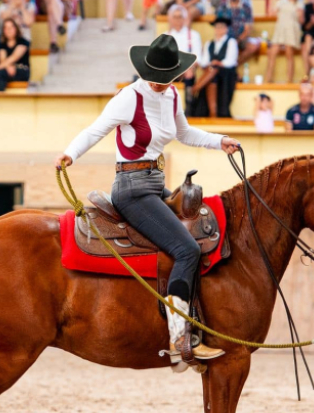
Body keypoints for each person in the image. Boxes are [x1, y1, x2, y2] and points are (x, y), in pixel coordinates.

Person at [53, 34, 241, 364]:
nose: (158, 84)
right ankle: (181, 341)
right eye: (154, 78)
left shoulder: (171, 97)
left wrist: (219, 140)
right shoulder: (129, 98)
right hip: (132, 189)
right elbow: (96, 129)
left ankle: (193, 325)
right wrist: (70, 154)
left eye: (165, 79)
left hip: (156, 186)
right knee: (186, 249)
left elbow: (185, 134)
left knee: (196, 237)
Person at [192, 17, 239, 118]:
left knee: (214, 70)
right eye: (217, 27)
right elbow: (204, 61)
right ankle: (213, 112)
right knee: (213, 74)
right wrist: (211, 63)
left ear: (226, 29)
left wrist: (218, 63)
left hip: (226, 73)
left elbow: (230, 61)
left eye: (221, 27)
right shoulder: (209, 43)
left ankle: (196, 87)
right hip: (212, 71)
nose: (218, 29)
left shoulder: (231, 42)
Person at [265, 0, 304, 84]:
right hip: (280, 30)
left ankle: (289, 80)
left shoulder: (299, 4)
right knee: (272, 53)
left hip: (291, 30)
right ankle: (267, 79)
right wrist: (272, 0)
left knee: (289, 54)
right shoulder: (281, 2)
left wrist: (300, 14)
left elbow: (301, 20)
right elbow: (271, 14)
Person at [216, 0, 259, 66]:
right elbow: (219, 26)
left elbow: (247, 30)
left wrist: (237, 40)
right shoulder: (222, 6)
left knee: (253, 45)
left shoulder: (246, 7)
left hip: (241, 38)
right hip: (226, 38)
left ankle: (234, 66)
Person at [165, 4, 202, 101]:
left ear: (185, 19)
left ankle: (189, 104)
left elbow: (197, 57)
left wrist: (187, 68)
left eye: (180, 17)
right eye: (175, 17)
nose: (177, 20)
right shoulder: (165, 36)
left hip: (186, 69)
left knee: (189, 73)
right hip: (169, 69)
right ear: (171, 19)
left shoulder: (193, 35)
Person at [0, 18, 31, 92]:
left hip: (22, 70)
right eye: (6, 28)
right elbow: (3, 60)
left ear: (16, 28)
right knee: (1, 73)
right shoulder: (2, 45)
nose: (9, 30)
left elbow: (14, 57)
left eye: (11, 27)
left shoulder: (23, 42)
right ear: (4, 30)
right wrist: (8, 67)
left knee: (0, 72)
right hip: (7, 70)